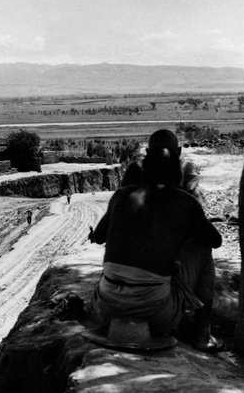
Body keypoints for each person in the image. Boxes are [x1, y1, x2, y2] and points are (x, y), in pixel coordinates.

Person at [89, 141, 222, 351]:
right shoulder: (185, 202)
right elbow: (216, 240)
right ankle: (202, 335)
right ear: (176, 170)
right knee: (202, 247)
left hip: (105, 306)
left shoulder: (121, 196)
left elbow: (98, 236)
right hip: (156, 312)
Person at [120, 129, 203, 204]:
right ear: (178, 152)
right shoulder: (184, 168)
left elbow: (120, 201)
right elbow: (196, 200)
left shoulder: (135, 168)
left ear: (148, 152)